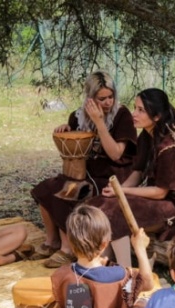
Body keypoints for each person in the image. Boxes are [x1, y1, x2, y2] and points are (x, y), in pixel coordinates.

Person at [87, 88, 175, 267]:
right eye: (135, 108)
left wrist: (122, 191)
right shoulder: (146, 136)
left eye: (141, 110)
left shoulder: (169, 146)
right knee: (99, 203)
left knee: (115, 215)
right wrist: (116, 193)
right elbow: (138, 172)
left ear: (157, 116)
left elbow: (161, 192)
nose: (134, 114)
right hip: (159, 196)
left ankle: (125, 272)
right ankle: (103, 266)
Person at [30, 70, 138, 269]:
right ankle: (52, 240)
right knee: (46, 188)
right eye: (101, 98)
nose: (107, 102)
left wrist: (99, 122)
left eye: (110, 97)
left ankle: (68, 248)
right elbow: (74, 152)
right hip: (85, 172)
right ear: (90, 98)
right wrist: (66, 132)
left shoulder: (121, 115)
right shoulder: (78, 117)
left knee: (67, 192)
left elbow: (116, 154)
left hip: (112, 175)